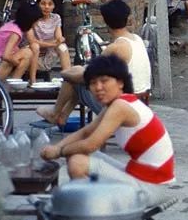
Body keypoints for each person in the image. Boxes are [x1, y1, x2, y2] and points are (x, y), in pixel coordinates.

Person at [40, 54, 174, 204]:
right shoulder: (118, 103)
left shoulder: (120, 107)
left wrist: (58, 152)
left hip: (151, 187)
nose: (98, 88)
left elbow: (91, 144)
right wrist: (56, 146)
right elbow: (85, 132)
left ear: (120, 82)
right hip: (139, 175)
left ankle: (90, 215)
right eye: (92, 83)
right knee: (78, 154)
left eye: (104, 81)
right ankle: (89, 209)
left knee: (78, 162)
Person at [37, 0, 152, 127]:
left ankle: (55, 114)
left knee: (74, 80)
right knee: (77, 71)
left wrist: (64, 74)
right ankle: (62, 116)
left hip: (123, 107)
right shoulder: (137, 39)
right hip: (140, 102)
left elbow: (87, 75)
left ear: (105, 21)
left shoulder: (117, 47)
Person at [0, 2, 41, 84]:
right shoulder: (15, 33)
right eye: (36, 21)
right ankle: (14, 85)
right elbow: (6, 56)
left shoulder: (12, 24)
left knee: (25, 52)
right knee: (27, 54)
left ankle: (16, 83)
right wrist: (19, 64)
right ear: (30, 21)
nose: (37, 23)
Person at [26, 0, 72, 74]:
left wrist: (59, 41)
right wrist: (52, 44)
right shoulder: (32, 18)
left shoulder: (56, 17)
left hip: (49, 54)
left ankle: (67, 76)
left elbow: (58, 38)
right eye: (43, 4)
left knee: (63, 47)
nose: (46, 7)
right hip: (33, 54)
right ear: (38, 4)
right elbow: (32, 41)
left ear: (54, 6)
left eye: (50, 4)